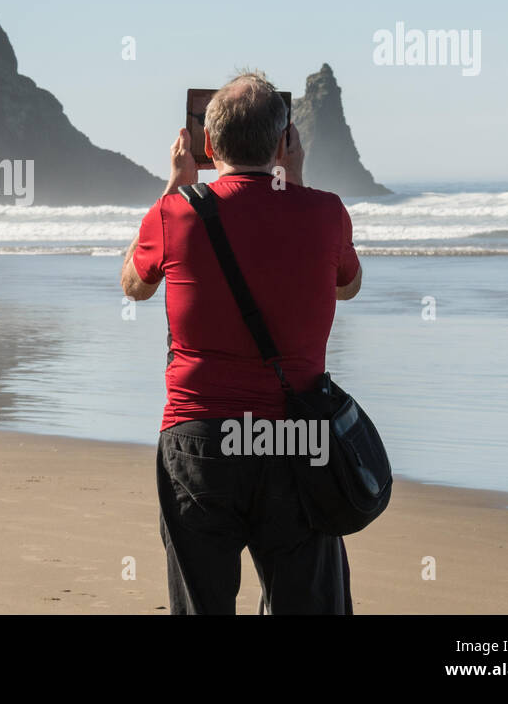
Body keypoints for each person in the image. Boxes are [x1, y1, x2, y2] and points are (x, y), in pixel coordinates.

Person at [120, 70, 362, 614]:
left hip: (200, 435)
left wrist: (175, 185)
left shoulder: (175, 211)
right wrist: (292, 182)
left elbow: (134, 285)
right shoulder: (325, 212)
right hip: (295, 440)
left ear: (207, 144)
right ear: (284, 143)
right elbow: (348, 285)